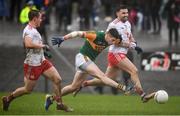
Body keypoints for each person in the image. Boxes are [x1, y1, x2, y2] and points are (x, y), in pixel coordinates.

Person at [73, 5, 155, 103]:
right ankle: (143, 95)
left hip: (121, 54)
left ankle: (83, 84)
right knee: (134, 71)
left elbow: (130, 36)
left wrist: (134, 43)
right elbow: (114, 41)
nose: (126, 15)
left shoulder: (128, 23)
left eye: (127, 12)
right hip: (116, 54)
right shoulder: (113, 25)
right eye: (123, 13)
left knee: (106, 80)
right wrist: (132, 46)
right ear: (117, 13)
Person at [45, 28, 133, 110]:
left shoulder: (110, 40)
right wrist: (63, 38)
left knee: (73, 87)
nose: (113, 43)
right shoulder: (96, 35)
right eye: (112, 40)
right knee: (102, 76)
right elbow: (77, 33)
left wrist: (134, 46)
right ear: (108, 35)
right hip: (83, 58)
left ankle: (51, 98)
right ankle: (123, 88)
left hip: (87, 61)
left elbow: (120, 43)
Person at [1, 10, 72, 112]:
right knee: (27, 90)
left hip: (42, 61)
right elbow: (28, 44)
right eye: (40, 18)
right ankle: (8, 99)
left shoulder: (34, 30)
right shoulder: (29, 30)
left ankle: (59, 104)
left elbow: (34, 46)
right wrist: (42, 45)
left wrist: (43, 51)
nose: (41, 20)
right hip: (32, 65)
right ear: (34, 19)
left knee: (58, 80)